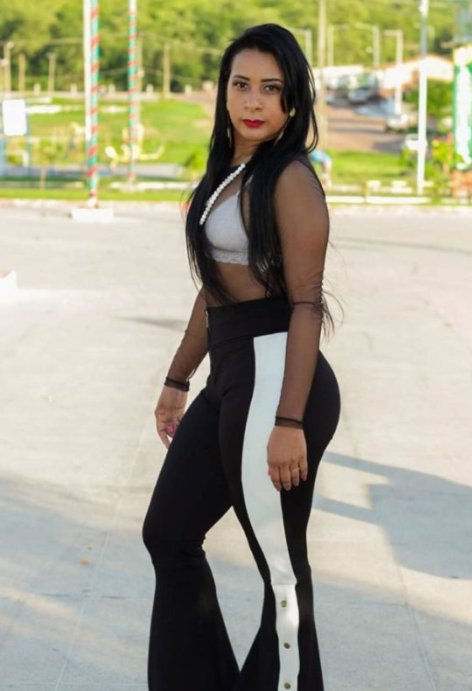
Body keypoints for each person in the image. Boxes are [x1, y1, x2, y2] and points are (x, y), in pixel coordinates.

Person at [142, 23, 340, 691]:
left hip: (277, 375)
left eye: (271, 88)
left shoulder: (289, 178)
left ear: (293, 99)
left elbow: (306, 304)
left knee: (280, 569)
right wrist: (178, 377)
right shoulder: (231, 172)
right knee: (169, 533)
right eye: (241, 84)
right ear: (224, 91)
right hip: (233, 371)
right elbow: (216, 287)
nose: (253, 101)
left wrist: (289, 421)